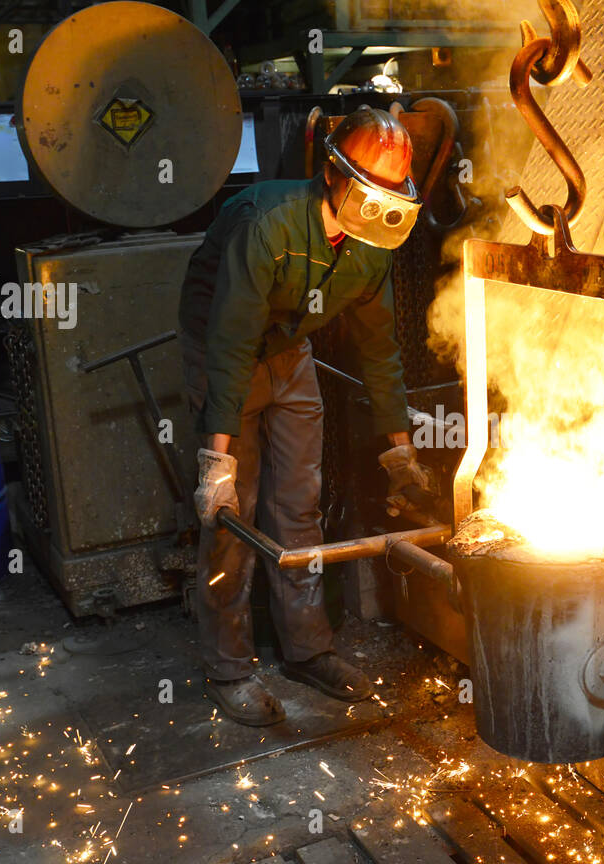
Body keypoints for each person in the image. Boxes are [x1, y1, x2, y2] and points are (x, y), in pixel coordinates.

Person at [178, 106, 434, 726]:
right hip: (223, 349)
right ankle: (229, 668)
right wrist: (216, 462)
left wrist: (399, 446)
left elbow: (379, 348)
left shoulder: (375, 243)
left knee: (298, 506)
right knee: (232, 515)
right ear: (331, 173)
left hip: (291, 352)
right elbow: (233, 344)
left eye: (389, 196)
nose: (378, 208)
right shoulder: (268, 224)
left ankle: (308, 650)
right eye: (368, 192)